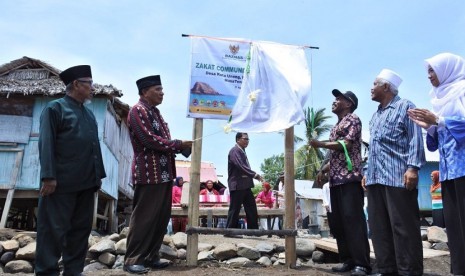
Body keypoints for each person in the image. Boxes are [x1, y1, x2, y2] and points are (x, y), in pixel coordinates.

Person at [36, 65, 106, 276]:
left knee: (80, 232)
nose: (93, 88)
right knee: (52, 231)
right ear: (76, 84)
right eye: (90, 84)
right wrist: (48, 177)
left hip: (86, 183)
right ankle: (46, 272)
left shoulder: (89, 114)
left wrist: (98, 176)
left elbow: (94, 146)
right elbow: (46, 143)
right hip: (60, 184)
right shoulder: (54, 109)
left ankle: (73, 272)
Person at [124, 75, 193, 274]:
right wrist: (178, 145)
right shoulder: (137, 111)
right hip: (147, 172)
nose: (162, 93)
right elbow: (148, 139)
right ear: (145, 92)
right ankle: (132, 259)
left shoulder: (157, 113)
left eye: (162, 89)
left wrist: (180, 147)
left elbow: (163, 140)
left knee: (160, 218)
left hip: (164, 174)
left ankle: (151, 256)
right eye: (158, 89)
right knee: (144, 216)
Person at [363, 69, 426, 276]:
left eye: (374, 84)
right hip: (375, 179)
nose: (371, 88)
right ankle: (386, 269)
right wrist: (366, 172)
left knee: (403, 228)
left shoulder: (405, 106)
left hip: (398, 177)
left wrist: (413, 167)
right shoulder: (375, 116)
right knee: (379, 228)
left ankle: (409, 270)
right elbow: (373, 148)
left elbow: (415, 138)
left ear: (386, 87)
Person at [407, 53, 465, 275]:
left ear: (447, 69)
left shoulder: (462, 91)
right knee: (455, 227)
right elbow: (440, 142)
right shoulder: (440, 98)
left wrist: (438, 121)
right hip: (450, 172)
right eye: (427, 71)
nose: (429, 76)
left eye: (433, 70)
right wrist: (429, 127)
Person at [310, 89, 371, 276]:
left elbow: (347, 144)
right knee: (338, 223)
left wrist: (319, 144)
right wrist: (322, 170)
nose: (335, 101)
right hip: (336, 181)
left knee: (353, 221)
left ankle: (362, 264)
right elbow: (335, 156)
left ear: (349, 103)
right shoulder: (335, 125)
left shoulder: (353, 119)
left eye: (339, 98)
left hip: (350, 179)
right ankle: (347, 260)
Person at [225, 132, 263, 235]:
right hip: (237, 185)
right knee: (234, 209)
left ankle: (253, 231)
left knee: (251, 208)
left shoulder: (242, 151)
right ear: (238, 139)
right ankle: (229, 232)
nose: (247, 141)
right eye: (245, 139)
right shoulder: (234, 151)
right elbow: (241, 166)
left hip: (246, 186)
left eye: (248, 139)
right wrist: (255, 175)